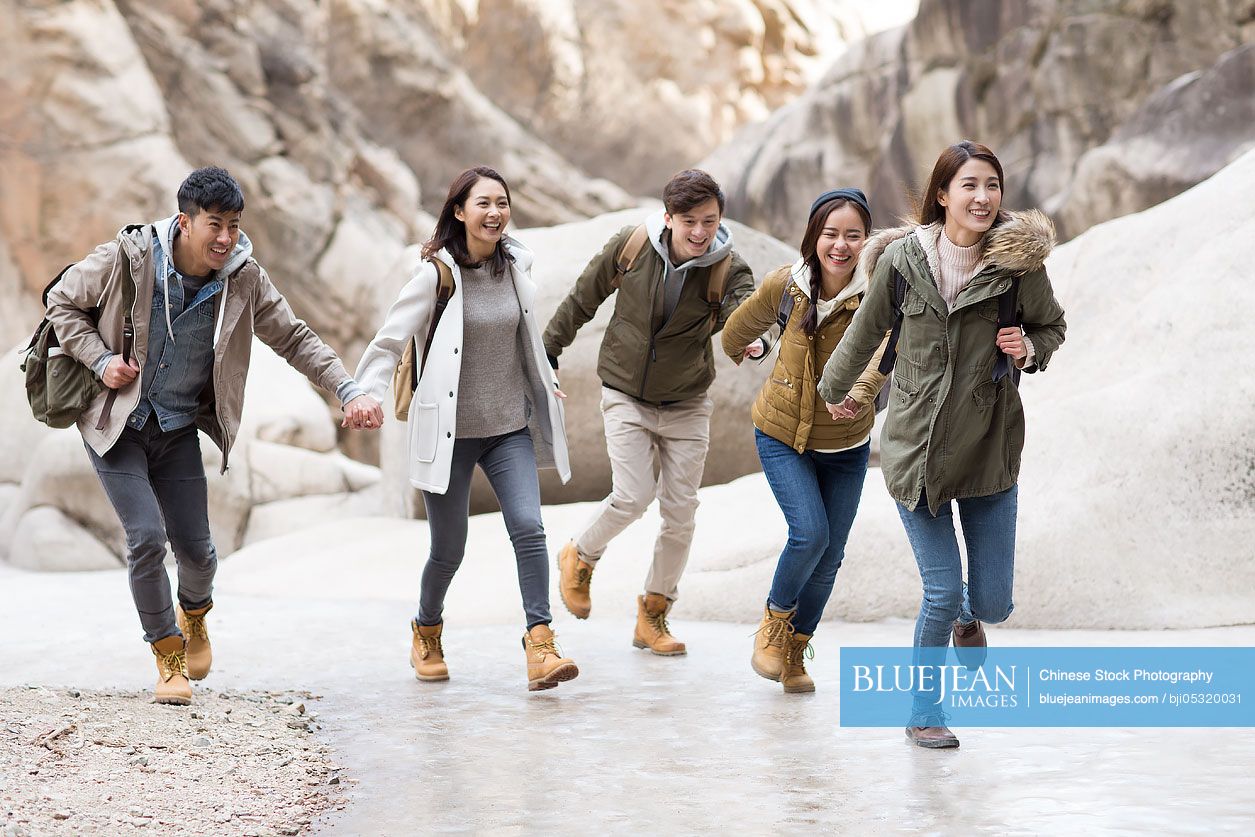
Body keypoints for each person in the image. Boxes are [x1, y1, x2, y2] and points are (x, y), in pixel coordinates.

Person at [46, 166, 381, 705]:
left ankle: (194, 616)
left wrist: (347, 389)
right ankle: (167, 654)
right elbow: (61, 300)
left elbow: (294, 338)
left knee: (200, 556)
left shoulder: (244, 278)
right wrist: (100, 359)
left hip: (177, 427)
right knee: (146, 538)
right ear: (184, 222)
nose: (225, 237)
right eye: (214, 224)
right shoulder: (126, 259)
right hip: (116, 425)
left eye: (233, 225)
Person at [818, 141, 1067, 748]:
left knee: (990, 600)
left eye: (992, 186)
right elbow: (866, 329)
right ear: (942, 195)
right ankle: (924, 712)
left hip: (988, 451)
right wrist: (830, 390)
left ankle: (970, 619)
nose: (982, 198)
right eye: (969, 186)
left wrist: (1028, 348)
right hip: (915, 453)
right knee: (941, 588)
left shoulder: (1019, 267)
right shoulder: (904, 261)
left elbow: (1052, 325)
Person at [353, 166, 578, 691]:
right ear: (459, 211)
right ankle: (427, 628)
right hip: (449, 434)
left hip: (507, 429)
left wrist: (545, 379)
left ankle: (540, 641)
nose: (495, 212)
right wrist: (363, 390)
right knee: (449, 548)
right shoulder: (436, 275)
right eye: (483, 203)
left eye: (502, 202)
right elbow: (390, 339)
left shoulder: (518, 265)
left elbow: (524, 337)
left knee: (529, 526)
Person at [542, 169, 754, 655]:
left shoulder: (728, 269)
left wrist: (756, 342)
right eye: (689, 222)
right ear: (668, 218)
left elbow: (744, 317)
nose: (700, 233)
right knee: (633, 495)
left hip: (687, 403)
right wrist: (547, 354)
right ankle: (580, 553)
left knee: (681, 514)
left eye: (709, 220)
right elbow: (582, 299)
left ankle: (653, 614)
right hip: (625, 393)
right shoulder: (631, 246)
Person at [721, 188, 887, 693]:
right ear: (814, 236)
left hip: (847, 444)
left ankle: (795, 649)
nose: (840, 245)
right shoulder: (784, 287)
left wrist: (857, 397)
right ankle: (772, 626)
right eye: (830, 234)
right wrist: (756, 343)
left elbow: (885, 354)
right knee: (810, 535)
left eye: (853, 235)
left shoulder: (878, 293)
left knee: (831, 553)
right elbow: (734, 334)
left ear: (867, 241)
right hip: (782, 436)